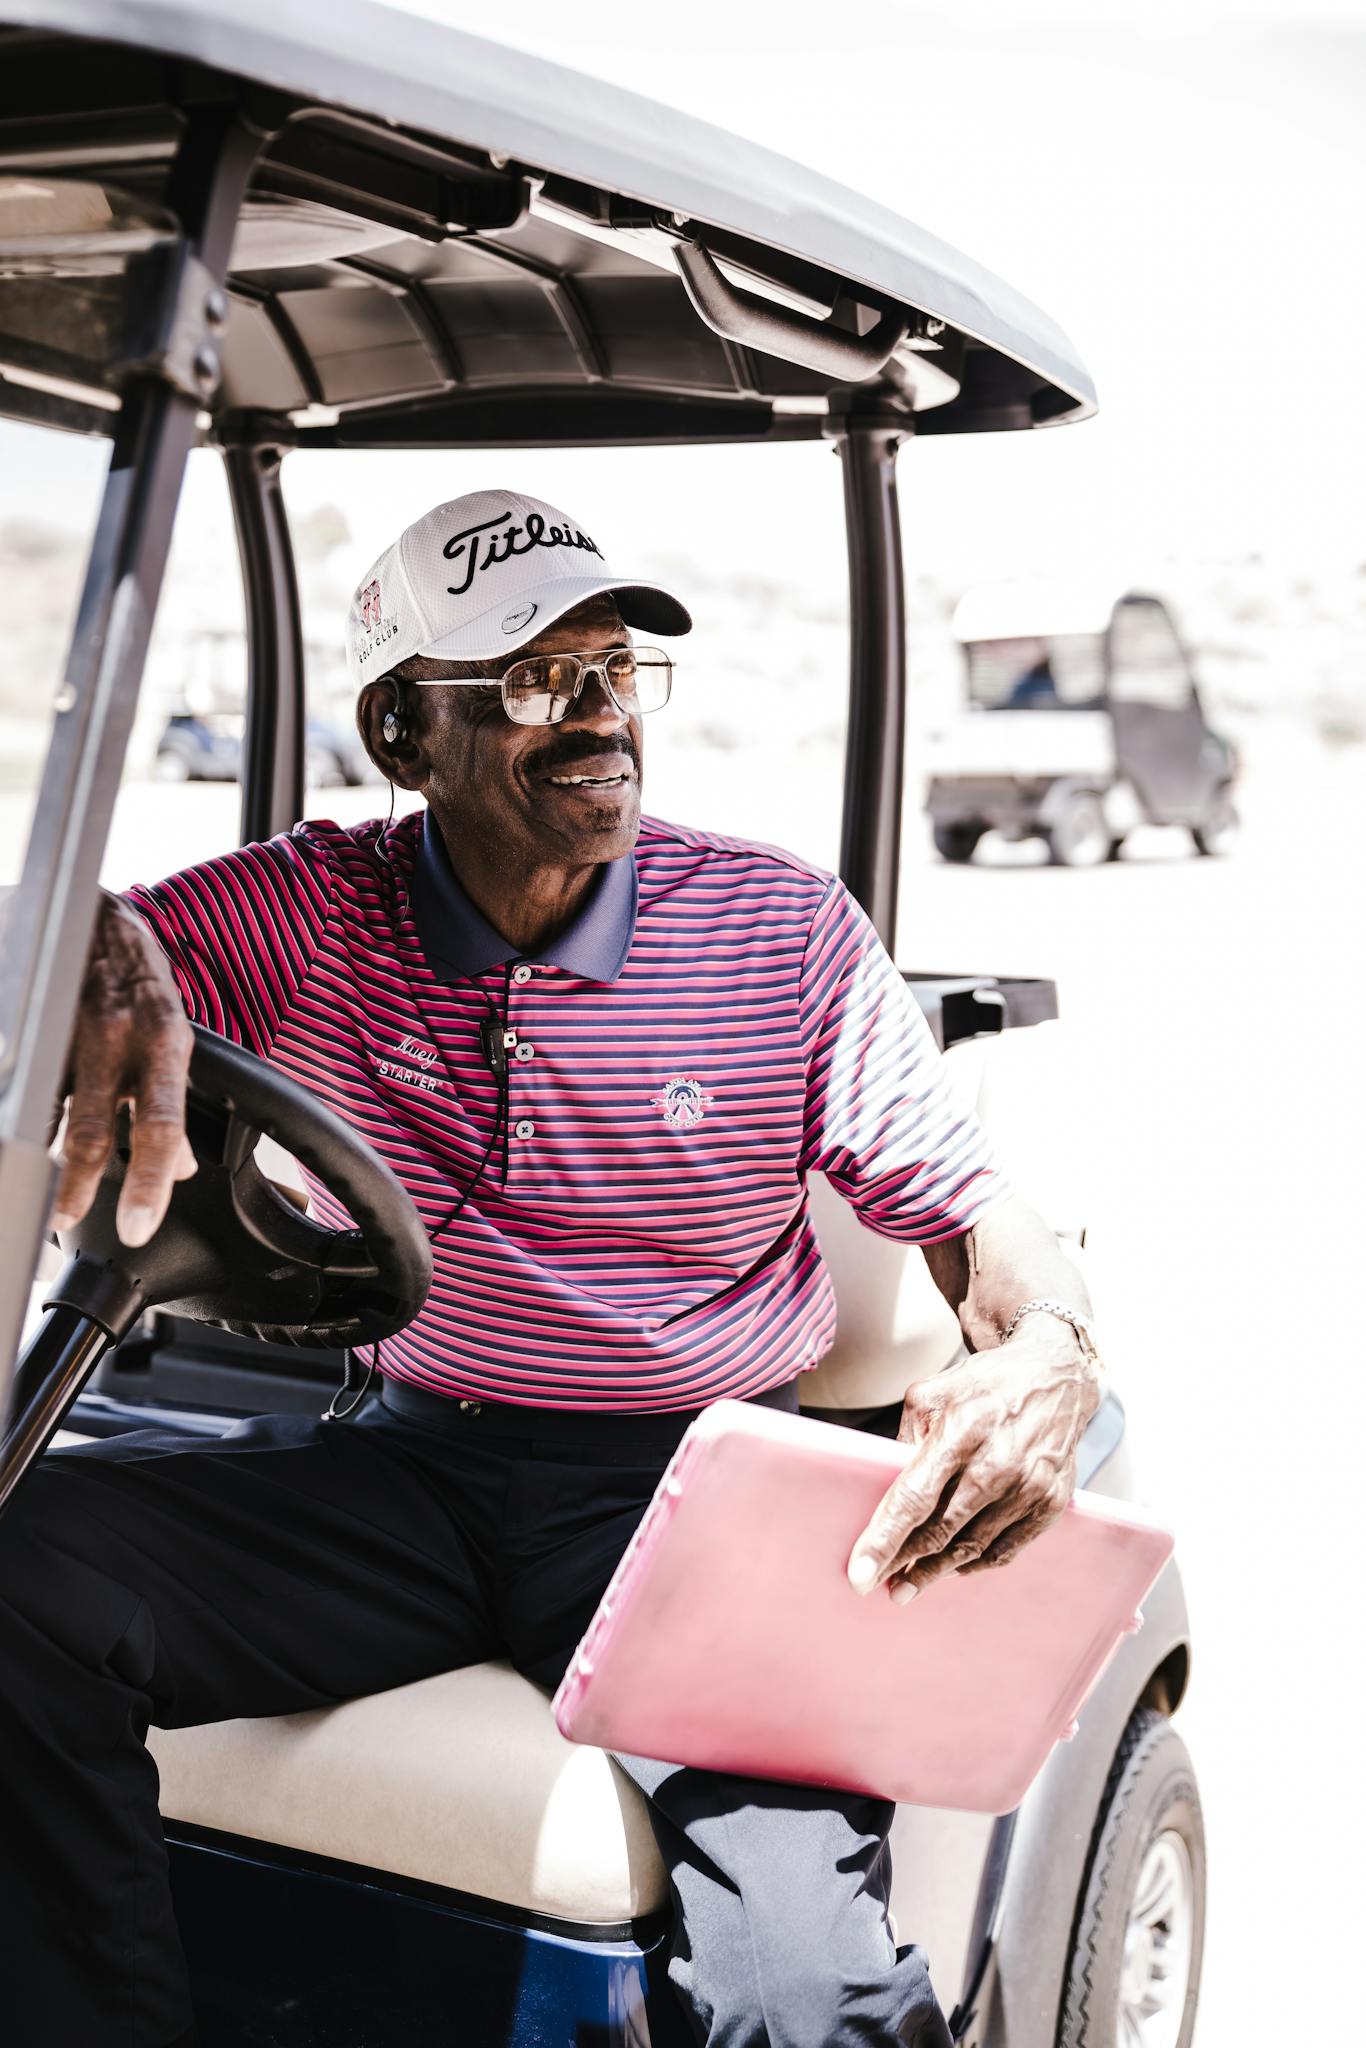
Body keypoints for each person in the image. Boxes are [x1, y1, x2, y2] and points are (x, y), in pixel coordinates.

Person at [0, 489, 1100, 2048]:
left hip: (694, 1503)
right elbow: (65, 958)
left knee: (800, 1982)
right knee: (22, 1573)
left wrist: (1048, 1342)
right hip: (408, 1481)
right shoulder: (313, 909)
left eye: (613, 672)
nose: (597, 717)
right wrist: (87, 938)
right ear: (402, 733)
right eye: (532, 679)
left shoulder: (772, 925)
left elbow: (967, 1210)